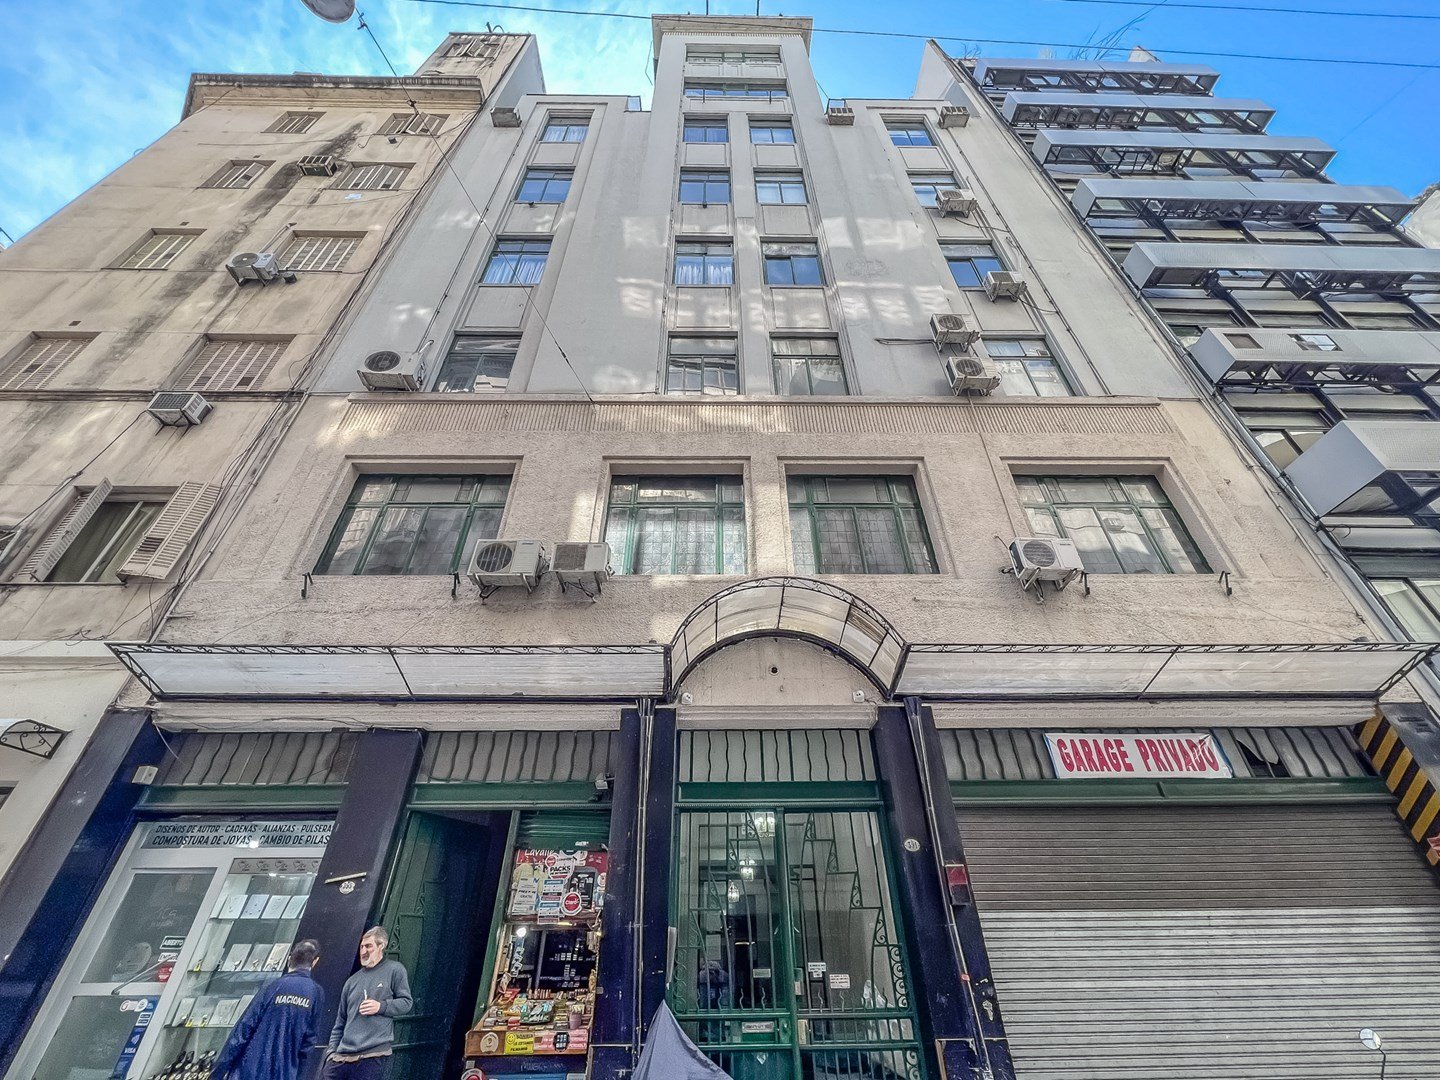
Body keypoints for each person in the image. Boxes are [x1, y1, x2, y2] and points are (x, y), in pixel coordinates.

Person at [211, 939, 325, 1080]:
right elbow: (307, 1044)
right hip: (284, 1073)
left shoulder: (273, 986)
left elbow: (243, 1029)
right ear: (314, 961)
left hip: (249, 1070)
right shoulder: (316, 993)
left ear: (289, 958)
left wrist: (218, 1072)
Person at [324, 926, 412, 1078]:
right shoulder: (352, 981)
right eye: (362, 946)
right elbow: (340, 1021)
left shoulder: (395, 970)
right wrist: (331, 1053)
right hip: (341, 1058)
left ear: (381, 946)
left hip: (372, 1055)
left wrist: (381, 1006)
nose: (363, 951)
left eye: (369, 946)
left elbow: (406, 1003)